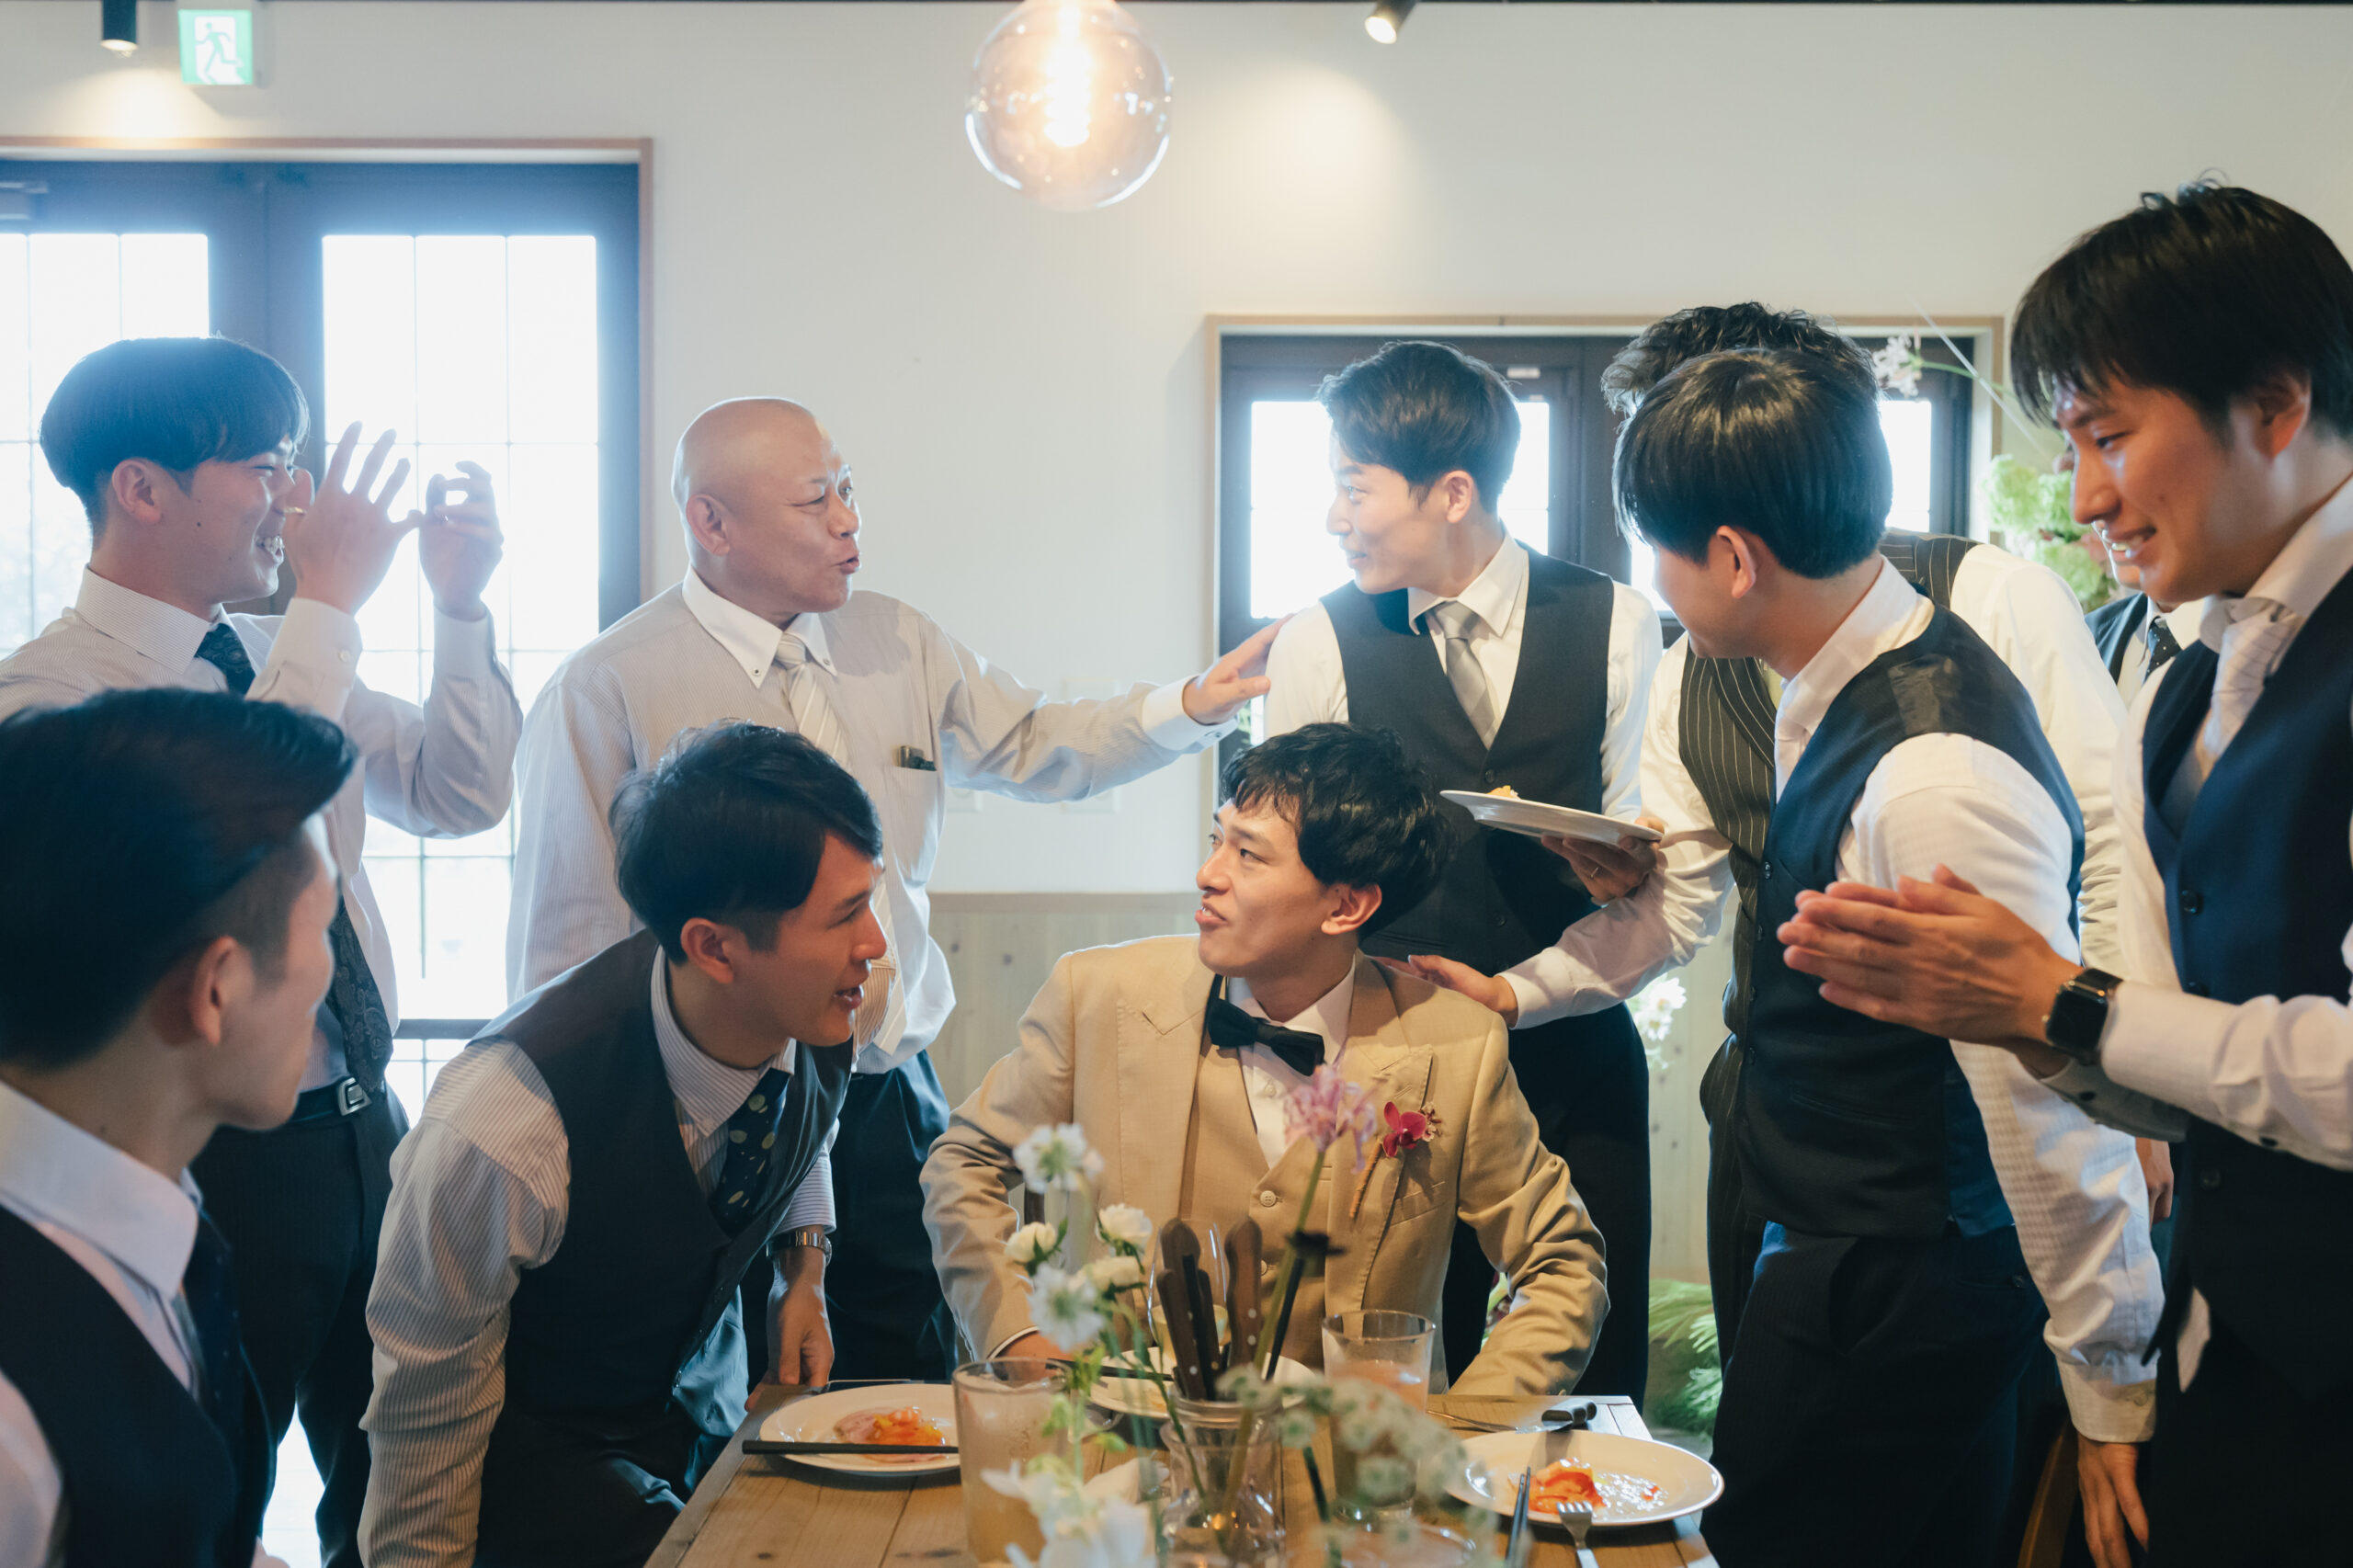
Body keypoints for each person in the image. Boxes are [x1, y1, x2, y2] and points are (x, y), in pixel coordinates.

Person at [1779, 182, 2353, 1568]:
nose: (2086, 498)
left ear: (2275, 405)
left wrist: (2066, 1002)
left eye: (2108, 436)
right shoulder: (2188, 674)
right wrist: (2019, 1019)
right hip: (2233, 1348)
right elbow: (2189, 1044)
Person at [1402, 303, 2132, 1370]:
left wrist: (2119, 1090)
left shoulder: (1988, 602)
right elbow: (1680, 901)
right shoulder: (1690, 663)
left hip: (1949, 1159)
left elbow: (2106, 846)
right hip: (1769, 1118)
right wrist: (1524, 981)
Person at [508, 396, 1279, 1383]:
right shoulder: (607, 684)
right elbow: (570, 942)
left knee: (903, 1384)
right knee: (728, 1384)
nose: (849, 520)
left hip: (888, 1088)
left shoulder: (899, 640)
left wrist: (1192, 706)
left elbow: (1032, 740)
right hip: (713, 1107)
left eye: (848, 488)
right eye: (815, 500)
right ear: (712, 522)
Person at [1593, 347, 2161, 1568]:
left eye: (1658, 551)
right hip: (1855, 1247)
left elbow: (2039, 1099)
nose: (1655, 586)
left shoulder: (1929, 770)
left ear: (1733, 557)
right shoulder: (1835, 681)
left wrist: (2109, 1377)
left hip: (1899, 1277)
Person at [0, 336, 520, 1568]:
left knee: (412, 1468)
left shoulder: (269, 652)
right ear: (142, 488)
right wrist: (328, 610)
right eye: (267, 466)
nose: (297, 499)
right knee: (211, 1485)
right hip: (212, 1146)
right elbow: (231, 857)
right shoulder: (49, 701)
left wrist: (457, 606)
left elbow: (460, 789)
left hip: (363, 1123)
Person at [922, 723, 1606, 1395]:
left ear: (1346, 906)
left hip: (1357, 1454)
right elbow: (963, 1163)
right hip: (1129, 1442)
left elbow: (1564, 1263)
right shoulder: (1097, 997)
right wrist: (1018, 1337)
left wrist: (1463, 1430)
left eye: (1248, 855)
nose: (1208, 875)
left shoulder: (1456, 1045)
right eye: (1216, 840)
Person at [362, 723, 883, 1568]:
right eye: (845, 916)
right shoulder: (503, 1131)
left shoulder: (830, 1000)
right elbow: (425, 1421)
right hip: (529, 1495)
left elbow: (804, 1124)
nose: (876, 944)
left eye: (870, 900)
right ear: (713, 946)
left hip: (700, 1441)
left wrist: (805, 1269)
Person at [1260, 341, 1658, 1401]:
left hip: (1574, 1055)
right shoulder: (1317, 640)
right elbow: (1284, 873)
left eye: (1354, 488)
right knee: (1379, 1372)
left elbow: (1652, 854)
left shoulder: (1618, 621)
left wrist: (1618, 870)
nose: (1334, 518)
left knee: (1585, 1375)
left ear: (1451, 492)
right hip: (1383, 1067)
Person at [0, 688, 357, 1568]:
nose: (334, 976)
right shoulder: (13, 1432)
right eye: (324, 931)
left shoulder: (154, 1209)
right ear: (217, 989)